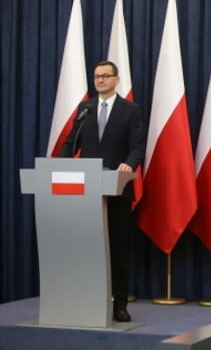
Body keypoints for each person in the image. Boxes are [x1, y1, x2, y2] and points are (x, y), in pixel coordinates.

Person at [60, 60, 145, 322]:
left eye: (105, 76)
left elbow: (137, 146)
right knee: (87, 249)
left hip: (116, 189)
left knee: (118, 250)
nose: (99, 80)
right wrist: (56, 168)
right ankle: (84, 301)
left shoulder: (130, 110)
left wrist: (128, 164)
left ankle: (119, 305)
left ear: (116, 80)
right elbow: (70, 143)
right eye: (96, 76)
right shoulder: (85, 108)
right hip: (86, 191)